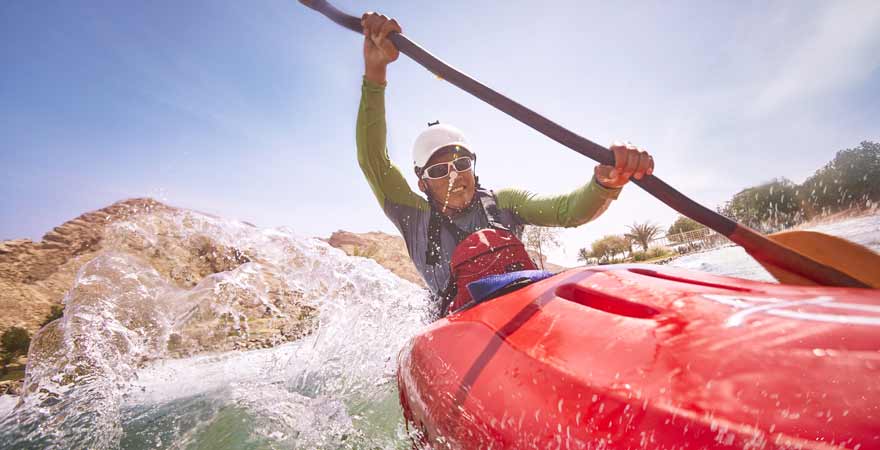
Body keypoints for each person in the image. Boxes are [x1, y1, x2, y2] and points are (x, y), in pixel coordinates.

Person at [357, 12, 654, 316]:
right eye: (438, 171)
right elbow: (373, 161)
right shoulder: (413, 216)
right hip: (456, 326)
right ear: (422, 184)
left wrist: (606, 183)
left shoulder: (504, 203)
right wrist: (375, 72)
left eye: (461, 163)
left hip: (522, 310)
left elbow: (569, 210)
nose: (455, 175)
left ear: (473, 166)